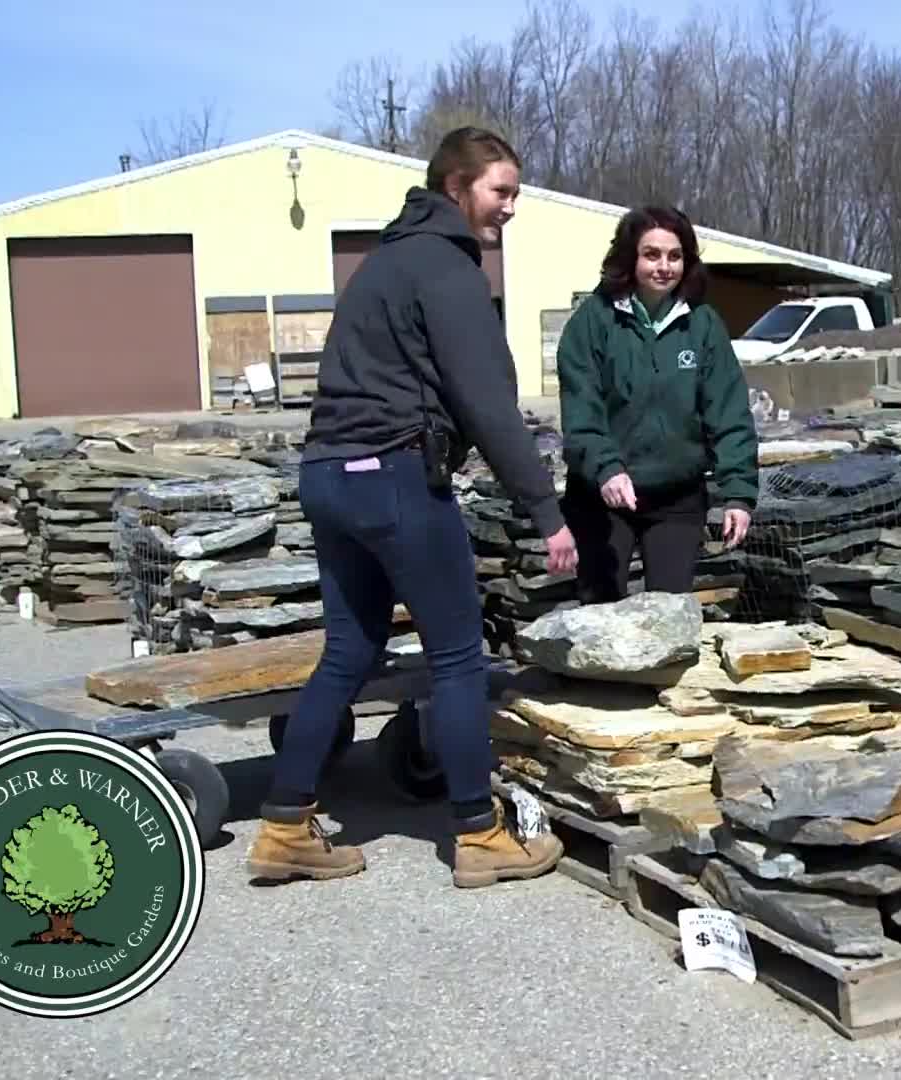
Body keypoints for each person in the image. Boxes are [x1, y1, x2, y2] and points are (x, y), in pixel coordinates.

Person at [245, 127, 577, 890]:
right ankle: (480, 835)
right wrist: (545, 509)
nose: (511, 207)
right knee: (457, 657)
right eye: (501, 191)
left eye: (515, 193)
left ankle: (285, 826)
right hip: (394, 476)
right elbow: (485, 401)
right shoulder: (447, 268)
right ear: (456, 187)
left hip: (329, 473)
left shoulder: (383, 262)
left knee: (348, 651)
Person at [554, 204, 759, 603]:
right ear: (629, 258)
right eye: (651, 255)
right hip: (604, 496)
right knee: (602, 617)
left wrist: (738, 494)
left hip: (676, 498)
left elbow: (729, 413)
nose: (664, 267)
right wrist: (606, 467)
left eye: (674, 256)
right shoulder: (593, 321)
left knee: (670, 614)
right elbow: (581, 411)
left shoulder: (702, 324)